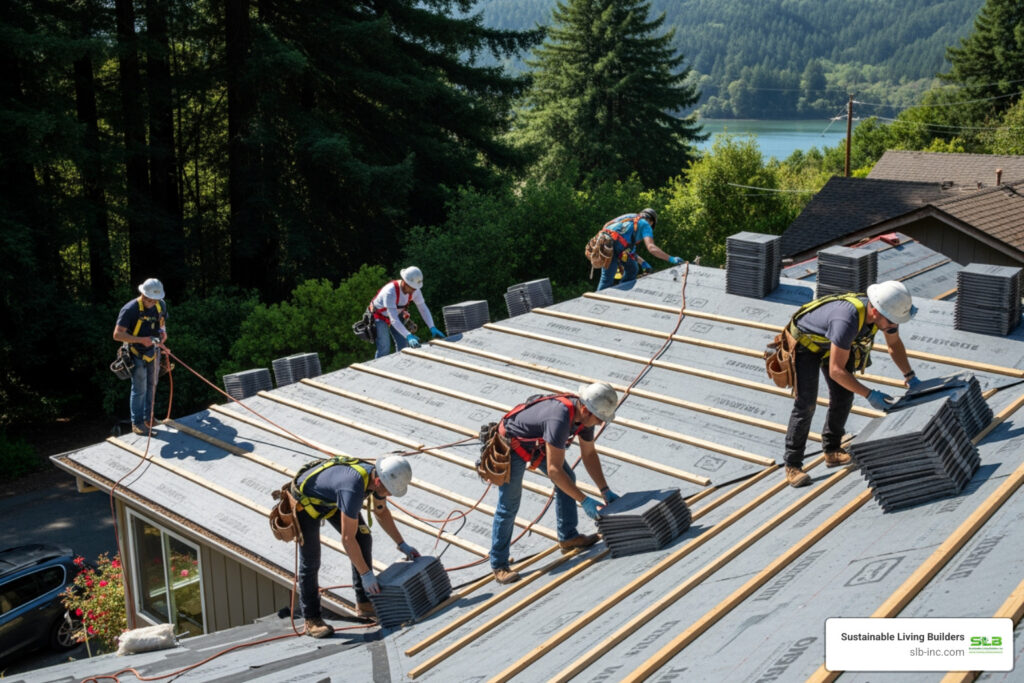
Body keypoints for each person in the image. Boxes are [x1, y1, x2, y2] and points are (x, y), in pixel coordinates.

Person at [783, 280, 921, 488]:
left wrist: (910, 376)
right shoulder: (847, 320)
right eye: (892, 321)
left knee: (844, 396)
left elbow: (893, 344)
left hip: (833, 342)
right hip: (806, 344)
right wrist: (870, 394)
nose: (894, 326)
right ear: (875, 311)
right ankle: (792, 465)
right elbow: (836, 371)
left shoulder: (884, 316)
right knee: (806, 404)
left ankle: (832, 450)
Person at [489, 382, 621, 584]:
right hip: (513, 443)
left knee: (568, 477)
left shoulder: (585, 419)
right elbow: (554, 470)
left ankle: (568, 537)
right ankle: (499, 564)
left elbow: (588, 454)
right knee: (510, 503)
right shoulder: (559, 418)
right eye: (598, 419)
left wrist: (605, 490)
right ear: (586, 410)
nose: (599, 423)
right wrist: (584, 501)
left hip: (536, 441)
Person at [291, 454, 417, 638]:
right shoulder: (352, 489)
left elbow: (381, 512)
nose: (389, 495)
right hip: (306, 503)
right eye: (388, 491)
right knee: (311, 560)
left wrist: (402, 544)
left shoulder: (377, 478)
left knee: (363, 537)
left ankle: (364, 603)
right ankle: (312, 619)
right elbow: (347, 539)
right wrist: (366, 575)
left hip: (331, 498)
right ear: (377, 481)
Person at [113, 278, 168, 435]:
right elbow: (117, 335)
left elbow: (162, 325)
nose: (152, 303)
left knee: (153, 384)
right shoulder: (130, 309)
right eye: (149, 299)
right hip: (135, 352)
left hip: (153, 351)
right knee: (140, 388)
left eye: (154, 300)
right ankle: (137, 423)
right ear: (143, 294)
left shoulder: (161, 305)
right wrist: (141, 340)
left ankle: (148, 418)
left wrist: (163, 335)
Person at [596, 208, 683, 291]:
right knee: (630, 271)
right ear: (651, 222)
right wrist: (671, 258)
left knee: (620, 273)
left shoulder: (630, 216)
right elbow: (651, 248)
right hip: (615, 248)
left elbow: (607, 225)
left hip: (604, 243)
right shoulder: (646, 225)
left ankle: (610, 293)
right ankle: (617, 293)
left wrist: (643, 263)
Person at [368, 266, 445, 358]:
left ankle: (403, 364)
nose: (413, 291)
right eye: (412, 288)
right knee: (384, 347)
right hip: (380, 316)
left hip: (396, 313)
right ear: (404, 282)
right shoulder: (390, 292)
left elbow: (423, 308)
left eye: (415, 288)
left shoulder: (415, 290)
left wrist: (432, 327)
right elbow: (394, 320)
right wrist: (408, 335)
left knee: (403, 344)